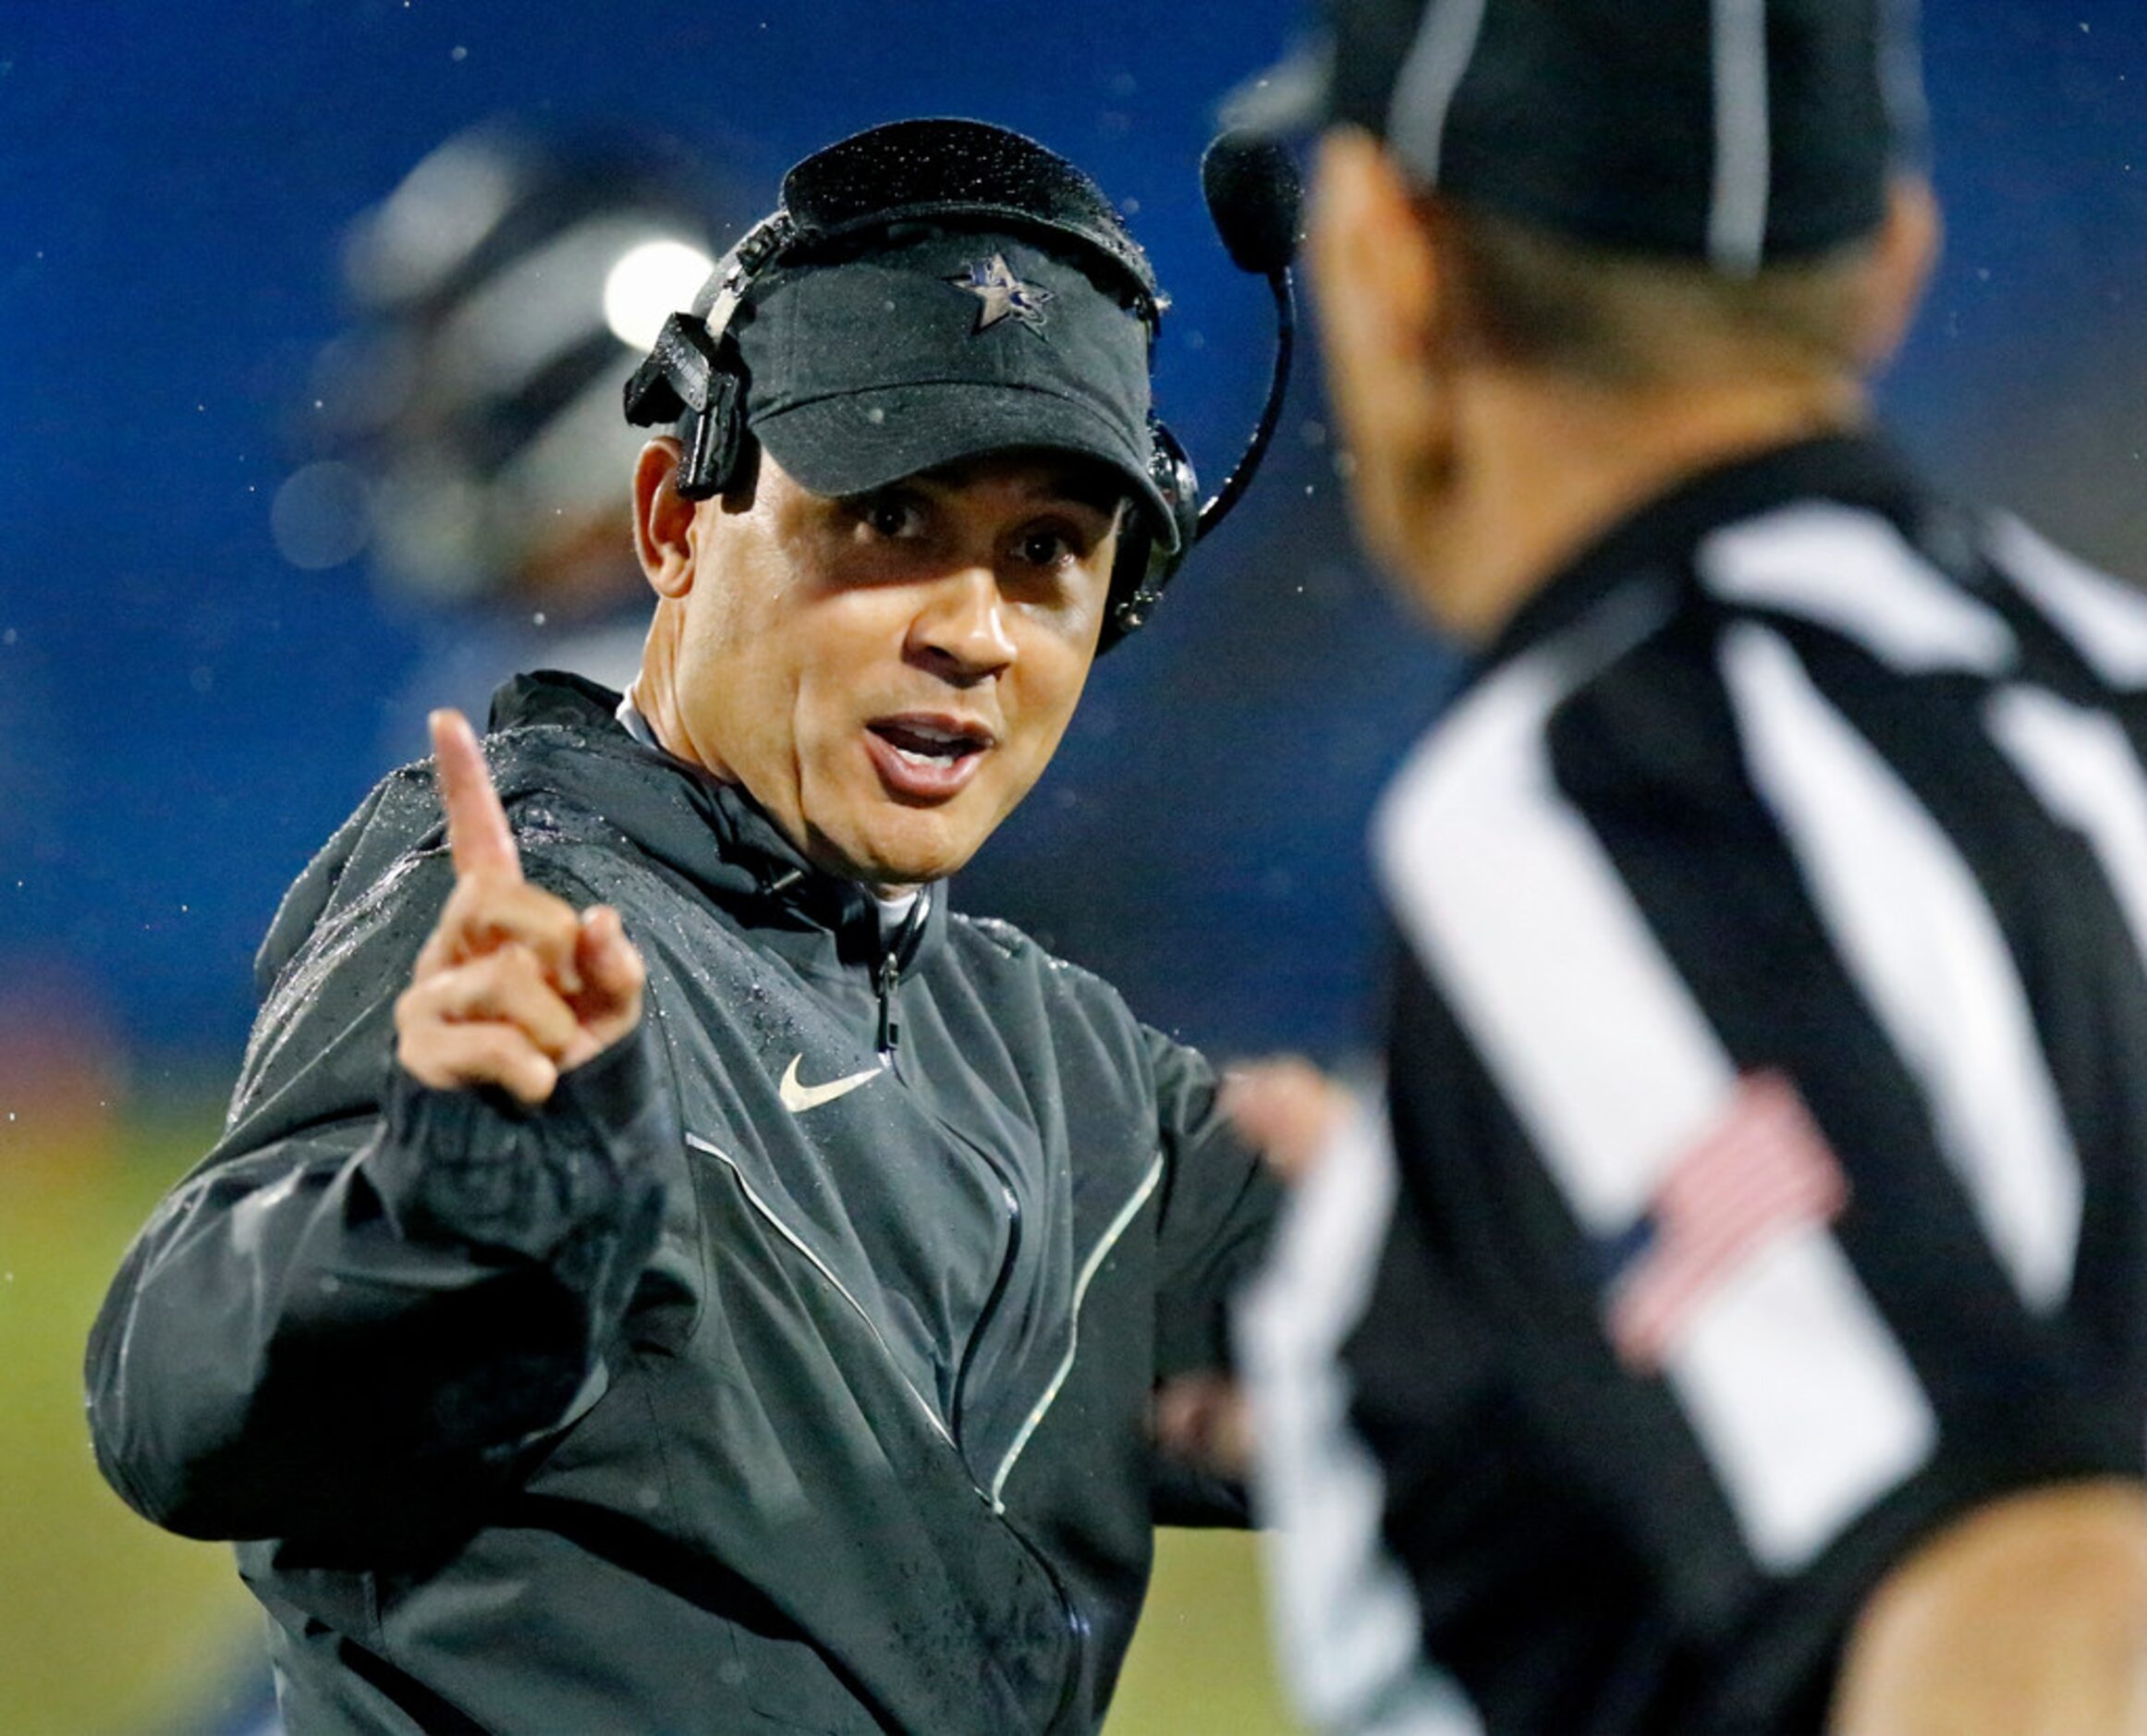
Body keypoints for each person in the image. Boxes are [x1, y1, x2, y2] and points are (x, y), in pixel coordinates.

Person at [86, 118, 1280, 1735]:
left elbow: (1455, 1339)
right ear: (671, 519)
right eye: (892, 520)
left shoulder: (1062, 1062)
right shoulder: (533, 899)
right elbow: (176, 1383)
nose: (973, 630)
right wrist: (449, 1222)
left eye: (1048, 551)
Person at [1229, 1, 2147, 1730]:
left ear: (1388, 253)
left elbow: (2039, 1602)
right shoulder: (2110, 690)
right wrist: (1470, 1282)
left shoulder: (1601, 797)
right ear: (1890, 260)